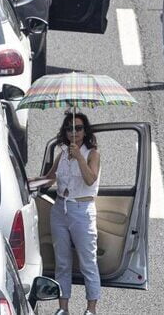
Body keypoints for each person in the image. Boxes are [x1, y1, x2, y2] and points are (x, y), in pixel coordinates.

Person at [33, 112, 101, 315]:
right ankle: (63, 307)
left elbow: (90, 179)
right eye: (70, 128)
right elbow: (49, 179)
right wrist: (27, 182)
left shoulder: (92, 153)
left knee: (88, 261)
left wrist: (79, 156)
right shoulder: (62, 153)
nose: (74, 132)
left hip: (82, 210)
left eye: (78, 128)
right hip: (60, 209)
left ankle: (91, 308)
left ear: (85, 131)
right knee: (62, 262)